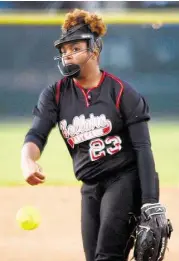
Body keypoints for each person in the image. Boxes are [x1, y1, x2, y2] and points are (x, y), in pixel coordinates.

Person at [21, 9, 172, 261]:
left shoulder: (122, 92)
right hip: (90, 186)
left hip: (124, 179)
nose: (67, 55)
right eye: (64, 50)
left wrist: (150, 201)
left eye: (75, 48)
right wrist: (27, 159)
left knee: (107, 256)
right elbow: (37, 132)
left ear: (94, 49)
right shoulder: (55, 94)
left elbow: (143, 149)